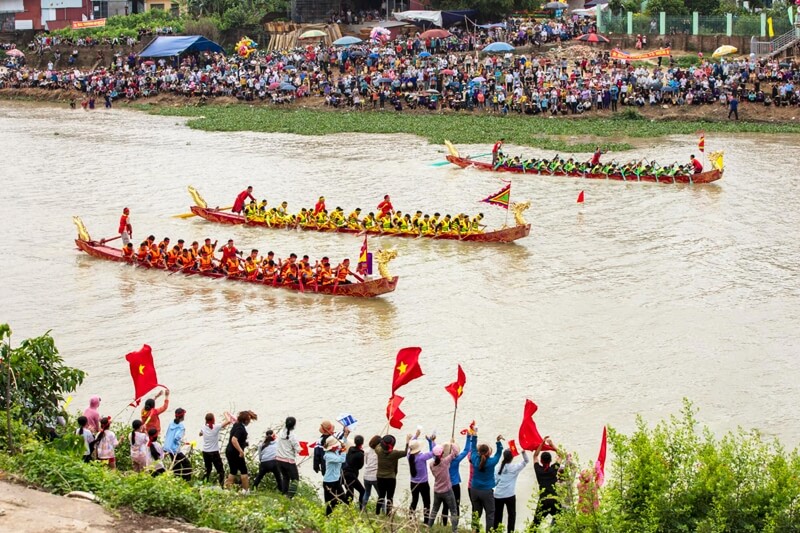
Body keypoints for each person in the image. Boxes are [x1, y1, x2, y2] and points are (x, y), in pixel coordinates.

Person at [469, 431, 504, 532]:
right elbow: (498, 453)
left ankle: (474, 531)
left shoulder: (475, 459)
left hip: (474, 489)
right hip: (487, 491)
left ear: (479, 452)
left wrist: (474, 436)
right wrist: (498, 442)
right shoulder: (492, 462)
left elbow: (473, 449)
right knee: (490, 514)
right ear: (488, 452)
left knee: (476, 512)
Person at [493, 449, 530, 532]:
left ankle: (496, 531)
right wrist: (523, 452)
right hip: (510, 495)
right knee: (512, 515)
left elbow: (494, 483)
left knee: (498, 516)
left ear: (504, 457)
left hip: (498, 495)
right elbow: (526, 461)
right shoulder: (515, 467)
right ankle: (510, 531)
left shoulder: (497, 467)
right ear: (512, 457)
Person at [375, 434, 411, 515]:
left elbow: (377, 445)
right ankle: (388, 513)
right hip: (391, 478)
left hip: (380, 477)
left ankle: (377, 513)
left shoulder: (378, 451)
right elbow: (405, 453)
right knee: (390, 497)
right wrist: (407, 441)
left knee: (381, 496)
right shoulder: (395, 453)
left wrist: (382, 440)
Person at [427, 441, 459, 532]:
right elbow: (455, 452)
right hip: (447, 491)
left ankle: (429, 527)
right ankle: (455, 531)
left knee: (434, 510)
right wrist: (452, 443)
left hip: (437, 490)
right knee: (453, 510)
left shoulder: (431, 465)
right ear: (442, 454)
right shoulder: (445, 461)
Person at [443, 433, 472, 526]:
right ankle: (455, 525)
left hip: (445, 485)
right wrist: (468, 437)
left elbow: (434, 451)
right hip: (455, 485)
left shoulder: (442, 460)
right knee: (456, 505)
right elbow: (467, 450)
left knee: (445, 506)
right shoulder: (456, 459)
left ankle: (444, 525)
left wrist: (450, 444)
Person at [533, 436, 561, 526]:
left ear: (541, 461)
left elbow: (535, 455)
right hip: (554, 500)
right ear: (551, 461)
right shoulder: (554, 469)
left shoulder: (538, 470)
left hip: (543, 500)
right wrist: (551, 444)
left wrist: (541, 443)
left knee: (535, 525)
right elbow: (561, 455)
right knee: (563, 522)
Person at [225, 410, 255, 493]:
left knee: (233, 471)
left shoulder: (236, 424)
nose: (249, 422)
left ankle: (227, 489)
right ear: (245, 420)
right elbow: (234, 439)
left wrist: (244, 443)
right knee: (244, 471)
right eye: (249, 420)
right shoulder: (241, 429)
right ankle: (246, 491)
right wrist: (241, 451)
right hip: (236, 453)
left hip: (229, 451)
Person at [408, 434, 435, 522]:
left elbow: (410, 444)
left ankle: (410, 518)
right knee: (426, 502)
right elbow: (434, 452)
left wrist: (416, 435)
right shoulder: (422, 457)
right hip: (423, 484)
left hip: (413, 483)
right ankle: (426, 521)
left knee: (414, 501)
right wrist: (431, 441)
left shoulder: (409, 456)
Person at [200, 412, 231, 487]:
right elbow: (228, 421)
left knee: (208, 470)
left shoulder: (203, 427)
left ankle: (203, 484)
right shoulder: (216, 427)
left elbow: (200, 434)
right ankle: (221, 486)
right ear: (213, 419)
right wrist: (226, 414)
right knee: (220, 471)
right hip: (214, 452)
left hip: (205, 452)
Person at [276, 416, 301, 497]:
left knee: (286, 477)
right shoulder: (293, 436)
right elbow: (298, 449)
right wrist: (301, 448)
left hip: (279, 459)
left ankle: (284, 494)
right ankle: (290, 496)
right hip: (289, 461)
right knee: (295, 480)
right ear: (294, 425)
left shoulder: (280, 433)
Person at [163, 408, 191, 481]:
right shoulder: (181, 427)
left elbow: (168, 434)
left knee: (176, 467)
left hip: (168, 448)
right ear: (182, 416)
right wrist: (180, 442)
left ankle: (176, 480)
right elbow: (177, 438)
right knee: (187, 465)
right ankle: (186, 481)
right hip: (175, 450)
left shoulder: (171, 423)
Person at [322, 438, 347, 515]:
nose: (337, 447)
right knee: (331, 502)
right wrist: (344, 450)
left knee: (342, 497)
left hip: (335, 480)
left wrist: (345, 437)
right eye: (336, 446)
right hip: (329, 482)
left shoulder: (334, 452)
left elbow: (342, 443)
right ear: (332, 447)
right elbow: (342, 460)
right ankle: (328, 516)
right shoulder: (328, 456)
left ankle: (330, 515)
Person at [343, 435, 366, 505]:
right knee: (362, 491)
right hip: (351, 475)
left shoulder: (350, 449)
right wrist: (361, 452)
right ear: (362, 443)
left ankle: (347, 508)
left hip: (344, 473)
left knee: (350, 492)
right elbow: (360, 466)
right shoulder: (360, 454)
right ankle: (361, 508)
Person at [361, 435, 380, 510]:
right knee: (381, 495)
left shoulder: (366, 451)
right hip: (375, 477)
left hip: (366, 475)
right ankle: (383, 511)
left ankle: (363, 508)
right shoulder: (379, 452)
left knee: (367, 492)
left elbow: (365, 462)